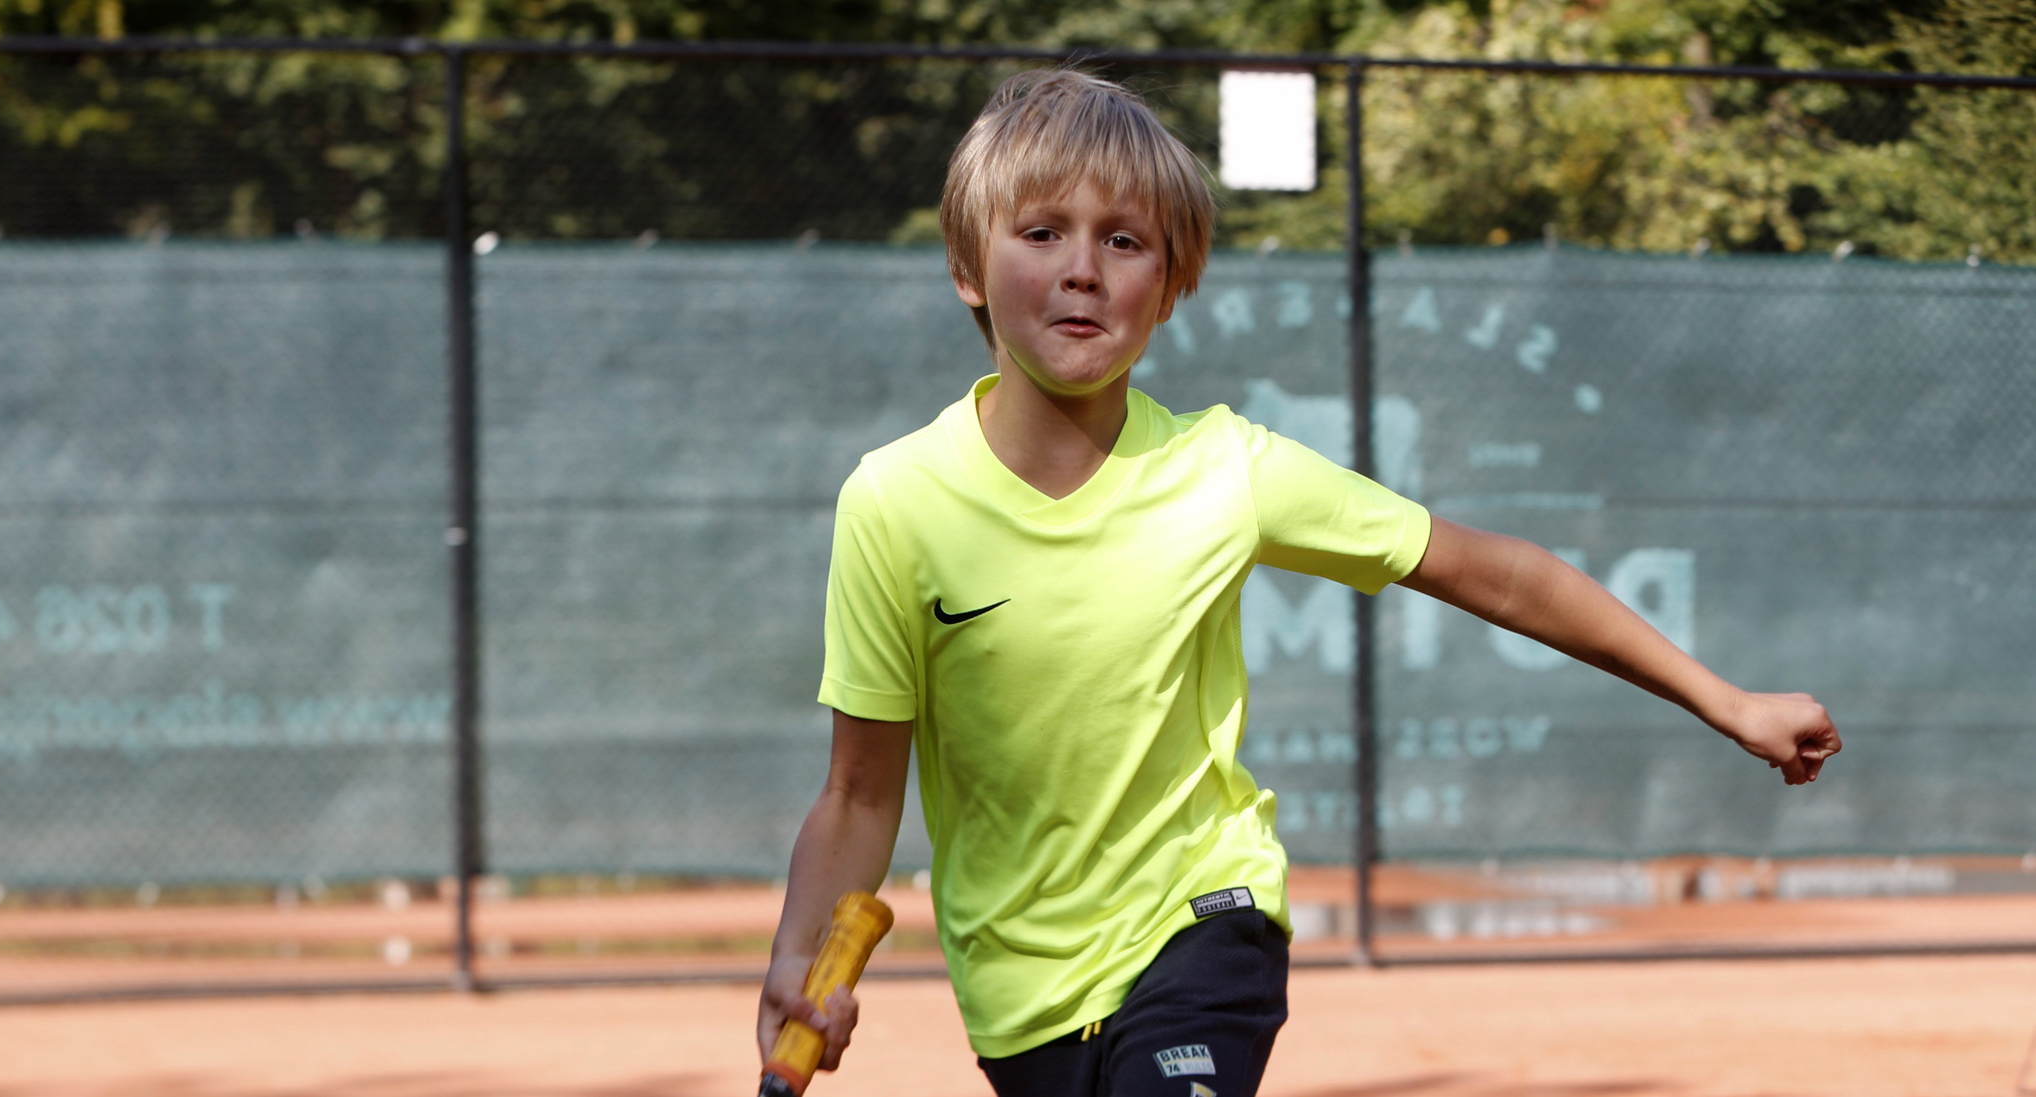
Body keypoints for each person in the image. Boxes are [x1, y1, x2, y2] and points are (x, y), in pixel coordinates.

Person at [753, 67, 1842, 1097]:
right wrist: (799, 952)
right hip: (1015, 998)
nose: (1082, 266)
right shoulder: (894, 503)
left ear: (1170, 284)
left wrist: (1727, 700)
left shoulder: (1229, 470)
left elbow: (1497, 575)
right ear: (968, 265)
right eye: (1040, 233)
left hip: (1202, 921)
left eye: (1123, 240)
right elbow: (859, 790)